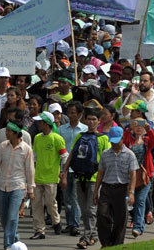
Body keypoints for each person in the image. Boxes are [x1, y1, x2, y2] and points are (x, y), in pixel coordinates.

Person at [62, 105, 111, 248]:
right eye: (88, 119)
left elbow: (105, 160)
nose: (91, 122)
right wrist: (64, 172)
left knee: (90, 209)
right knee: (84, 210)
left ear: (98, 121)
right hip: (79, 177)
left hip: (94, 179)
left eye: (94, 119)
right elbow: (71, 155)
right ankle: (93, 235)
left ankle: (85, 237)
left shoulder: (103, 139)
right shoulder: (80, 136)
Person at [0, 121, 35, 249]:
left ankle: (8, 246)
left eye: (9, 132)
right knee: (5, 218)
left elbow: (30, 170)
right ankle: (16, 241)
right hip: (2, 186)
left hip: (18, 186)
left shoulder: (26, 149)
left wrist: (30, 189)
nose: (6, 133)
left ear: (16, 134)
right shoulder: (3, 146)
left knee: (12, 217)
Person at [93, 126, 137, 248]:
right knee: (102, 215)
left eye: (116, 140)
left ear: (123, 139)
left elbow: (133, 174)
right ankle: (106, 242)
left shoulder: (129, 155)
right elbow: (100, 173)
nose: (114, 143)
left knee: (120, 219)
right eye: (112, 140)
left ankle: (116, 244)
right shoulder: (105, 154)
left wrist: (131, 192)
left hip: (122, 189)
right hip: (106, 188)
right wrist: (95, 191)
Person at [31, 111, 68, 239]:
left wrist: (63, 174)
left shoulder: (57, 138)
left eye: (40, 122)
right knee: (36, 205)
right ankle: (39, 230)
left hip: (52, 177)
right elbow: (34, 157)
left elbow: (64, 156)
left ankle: (56, 220)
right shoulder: (37, 138)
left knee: (50, 203)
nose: (38, 124)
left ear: (46, 123)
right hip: (38, 177)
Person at [122, 117, 154, 238]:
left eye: (141, 125)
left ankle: (138, 227)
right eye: (136, 125)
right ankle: (139, 222)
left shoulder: (147, 140)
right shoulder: (129, 140)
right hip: (131, 175)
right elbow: (123, 142)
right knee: (131, 201)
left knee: (141, 200)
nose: (138, 128)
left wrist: (149, 129)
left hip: (145, 175)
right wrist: (128, 128)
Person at [60, 101, 87, 237]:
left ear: (80, 114)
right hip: (64, 168)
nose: (70, 115)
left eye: (73, 113)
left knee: (75, 198)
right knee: (67, 198)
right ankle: (70, 223)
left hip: (78, 168)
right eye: (68, 112)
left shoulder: (85, 130)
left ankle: (75, 225)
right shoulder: (61, 129)